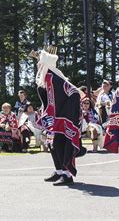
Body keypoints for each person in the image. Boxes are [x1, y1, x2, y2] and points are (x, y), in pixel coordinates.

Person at [30, 47, 85, 186]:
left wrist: (66, 114)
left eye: (39, 64)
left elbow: (75, 93)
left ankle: (67, 175)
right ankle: (59, 171)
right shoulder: (48, 78)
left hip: (64, 119)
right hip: (53, 119)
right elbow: (48, 98)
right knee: (53, 144)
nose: (38, 66)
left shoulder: (56, 78)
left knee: (61, 144)